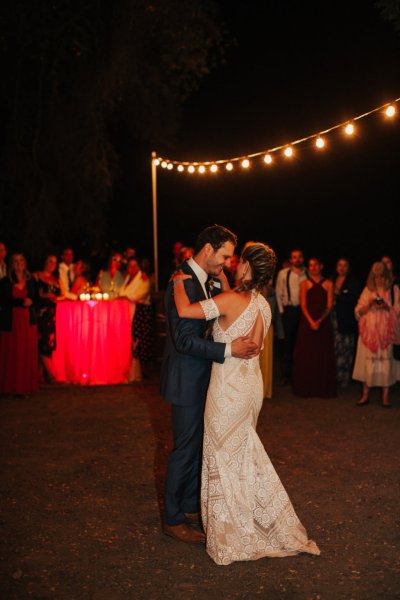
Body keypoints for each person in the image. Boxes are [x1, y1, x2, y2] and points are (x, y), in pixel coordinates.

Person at [172, 242, 320, 565]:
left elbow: (185, 311)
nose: (234, 264)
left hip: (226, 389)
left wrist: (177, 285)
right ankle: (246, 522)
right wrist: (226, 283)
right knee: (242, 452)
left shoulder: (227, 302)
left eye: (239, 262)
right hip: (251, 388)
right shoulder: (264, 306)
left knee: (221, 453)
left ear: (248, 268)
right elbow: (241, 320)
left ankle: (230, 534)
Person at [160, 225, 260, 545]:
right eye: (224, 256)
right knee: (185, 447)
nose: (227, 263)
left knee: (199, 444)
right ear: (207, 250)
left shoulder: (210, 281)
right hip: (186, 379)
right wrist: (230, 350)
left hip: (205, 378)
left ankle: (189, 505)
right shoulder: (182, 281)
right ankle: (173, 518)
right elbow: (185, 341)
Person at [352, 261, 400, 407]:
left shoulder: (394, 289)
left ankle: (385, 397)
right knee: (368, 363)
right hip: (369, 334)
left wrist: (387, 307)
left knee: (385, 365)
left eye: (381, 276)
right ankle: (365, 395)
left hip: (385, 334)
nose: (379, 279)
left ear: (386, 277)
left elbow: (397, 310)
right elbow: (357, 311)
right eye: (376, 276)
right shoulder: (367, 290)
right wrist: (370, 304)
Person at [292, 257, 337, 398]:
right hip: (307, 323)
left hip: (323, 324)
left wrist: (319, 321)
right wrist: (312, 321)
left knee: (323, 354)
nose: (313, 268)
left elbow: (329, 305)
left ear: (321, 266)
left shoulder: (329, 283)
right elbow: (303, 305)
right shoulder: (304, 283)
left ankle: (322, 388)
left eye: (315, 265)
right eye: (310, 265)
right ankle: (306, 388)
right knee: (307, 354)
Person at [0, 253, 39, 395]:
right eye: (15, 261)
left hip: (28, 321)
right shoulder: (5, 281)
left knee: (25, 353)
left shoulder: (31, 280)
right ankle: (11, 388)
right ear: (12, 264)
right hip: (12, 322)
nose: (19, 263)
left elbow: (37, 298)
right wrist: (21, 302)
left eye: (21, 260)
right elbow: (3, 301)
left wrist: (32, 302)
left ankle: (25, 387)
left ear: (25, 263)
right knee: (12, 353)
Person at [275, 249, 308, 383]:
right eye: (294, 257)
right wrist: (282, 311)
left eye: (300, 257)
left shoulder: (308, 274)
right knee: (288, 343)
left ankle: (300, 373)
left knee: (303, 343)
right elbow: (278, 292)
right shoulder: (284, 273)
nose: (297, 259)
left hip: (304, 311)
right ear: (291, 259)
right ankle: (286, 375)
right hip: (289, 311)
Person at [119, 257, 152, 382]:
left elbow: (139, 295)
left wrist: (124, 297)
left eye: (135, 266)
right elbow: (121, 292)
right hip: (128, 313)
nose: (132, 268)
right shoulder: (127, 278)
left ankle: (138, 372)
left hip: (140, 314)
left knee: (138, 343)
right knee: (130, 341)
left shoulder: (143, 279)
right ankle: (131, 372)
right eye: (130, 266)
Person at [331, 258, 359, 388]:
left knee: (346, 349)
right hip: (333, 318)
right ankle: (334, 376)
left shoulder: (352, 281)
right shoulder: (331, 279)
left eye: (345, 265)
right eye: (339, 265)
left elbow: (354, 299)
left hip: (346, 320)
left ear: (348, 268)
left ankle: (344, 377)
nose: (342, 268)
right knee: (334, 348)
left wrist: (339, 294)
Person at [34, 254, 63, 381]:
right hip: (40, 313)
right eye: (50, 261)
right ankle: (50, 374)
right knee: (41, 343)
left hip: (52, 315)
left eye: (55, 263)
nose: (52, 264)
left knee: (48, 343)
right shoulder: (36, 276)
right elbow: (34, 294)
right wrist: (45, 295)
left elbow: (62, 294)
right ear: (45, 262)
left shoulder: (56, 279)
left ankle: (41, 375)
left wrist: (56, 298)